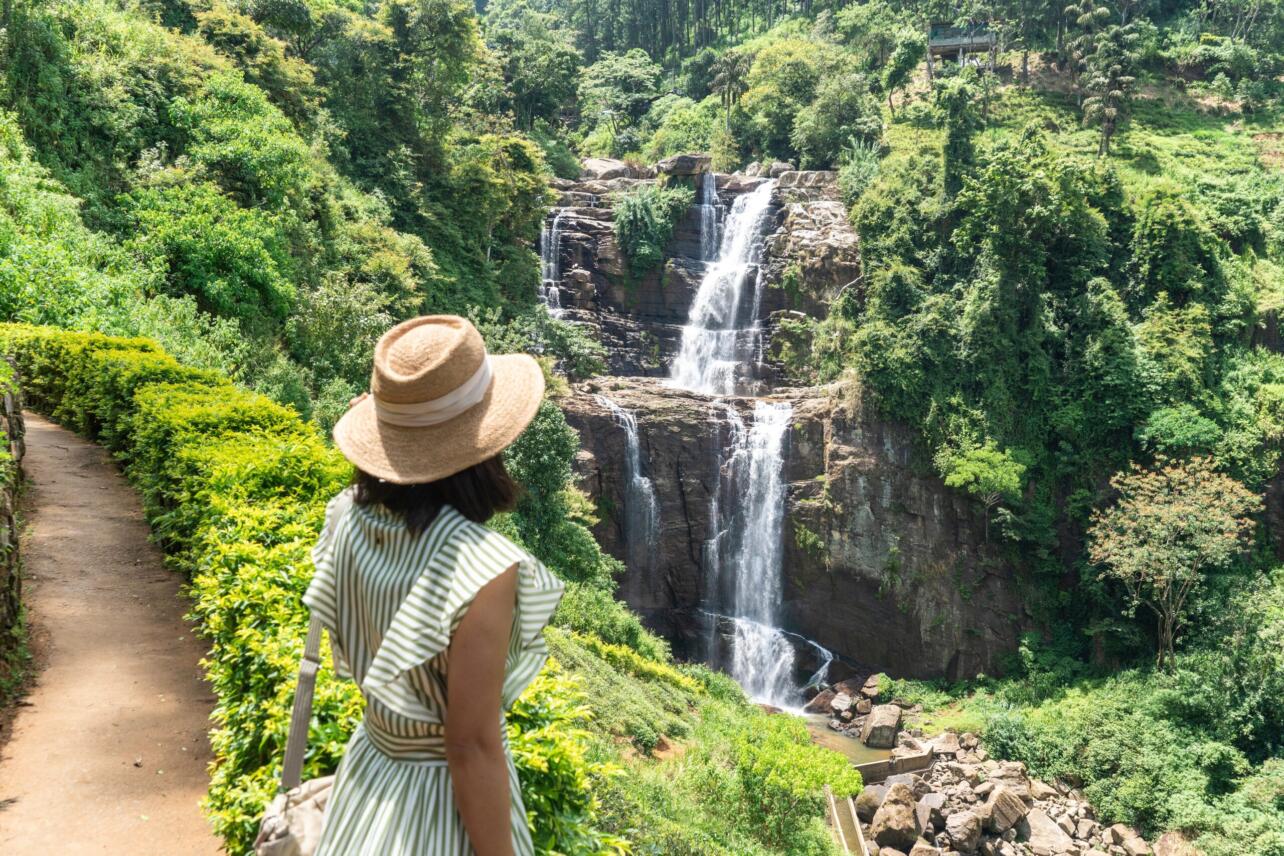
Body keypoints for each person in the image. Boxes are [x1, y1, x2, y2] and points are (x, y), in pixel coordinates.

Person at [303, 315, 563, 855]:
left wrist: (387, 432)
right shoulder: (482, 568)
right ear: (487, 440)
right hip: (439, 805)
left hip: (371, 775)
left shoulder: (346, 518)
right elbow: (469, 746)